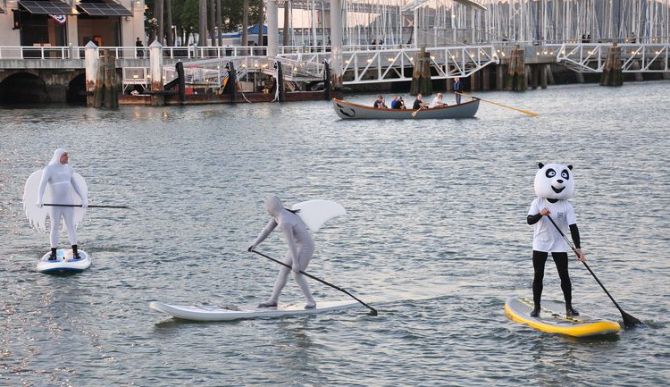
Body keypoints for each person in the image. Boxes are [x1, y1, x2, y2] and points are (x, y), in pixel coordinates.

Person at [527, 163, 586, 318]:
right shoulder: (538, 202)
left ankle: (569, 308)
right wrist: (541, 214)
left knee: (564, 276)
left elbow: (573, 227)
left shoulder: (566, 206)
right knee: (538, 275)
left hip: (559, 245)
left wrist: (578, 248)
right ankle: (536, 308)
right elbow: (529, 220)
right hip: (540, 244)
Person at [248, 196, 316, 309]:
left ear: (271, 208)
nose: (266, 210)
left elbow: (291, 244)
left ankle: (311, 301)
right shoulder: (278, 216)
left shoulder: (284, 221)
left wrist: (295, 263)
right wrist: (255, 244)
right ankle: (273, 300)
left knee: (297, 273)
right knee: (284, 271)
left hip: (305, 246)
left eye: (267, 207)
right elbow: (266, 230)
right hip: (297, 246)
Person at [36, 149, 88, 261]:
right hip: (55, 204)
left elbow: (76, 185)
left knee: (71, 226)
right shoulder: (49, 169)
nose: (67, 158)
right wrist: (39, 199)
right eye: (65, 156)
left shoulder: (69, 169)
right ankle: (53, 253)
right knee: (54, 226)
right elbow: (42, 185)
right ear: (59, 156)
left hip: (68, 203)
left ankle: (75, 252)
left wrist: (84, 199)